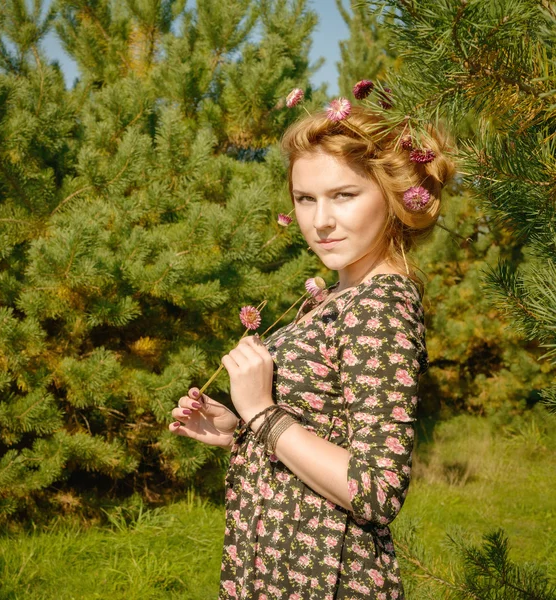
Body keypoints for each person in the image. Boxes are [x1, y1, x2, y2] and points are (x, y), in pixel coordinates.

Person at [169, 104, 455, 599]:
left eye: (343, 195)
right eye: (305, 198)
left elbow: (375, 490)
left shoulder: (381, 303)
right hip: (281, 563)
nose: (321, 221)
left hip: (329, 577)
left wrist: (261, 412)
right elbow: (323, 433)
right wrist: (240, 431)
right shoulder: (339, 297)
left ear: (389, 197)